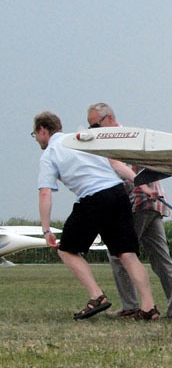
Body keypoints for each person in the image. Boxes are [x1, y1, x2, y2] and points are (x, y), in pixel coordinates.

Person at [33, 111, 159, 320]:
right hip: (118, 193)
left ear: (43, 130)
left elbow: (45, 192)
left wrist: (46, 229)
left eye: (35, 134)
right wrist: (143, 186)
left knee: (66, 250)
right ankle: (149, 307)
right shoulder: (84, 140)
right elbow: (116, 165)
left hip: (94, 198)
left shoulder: (50, 153)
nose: (37, 139)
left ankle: (96, 296)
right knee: (127, 253)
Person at [89, 103, 172, 319]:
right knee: (161, 259)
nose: (93, 131)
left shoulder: (114, 140)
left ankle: (131, 306)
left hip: (138, 202)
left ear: (108, 119)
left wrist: (143, 187)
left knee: (120, 254)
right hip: (155, 203)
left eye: (95, 125)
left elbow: (119, 167)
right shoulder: (133, 134)